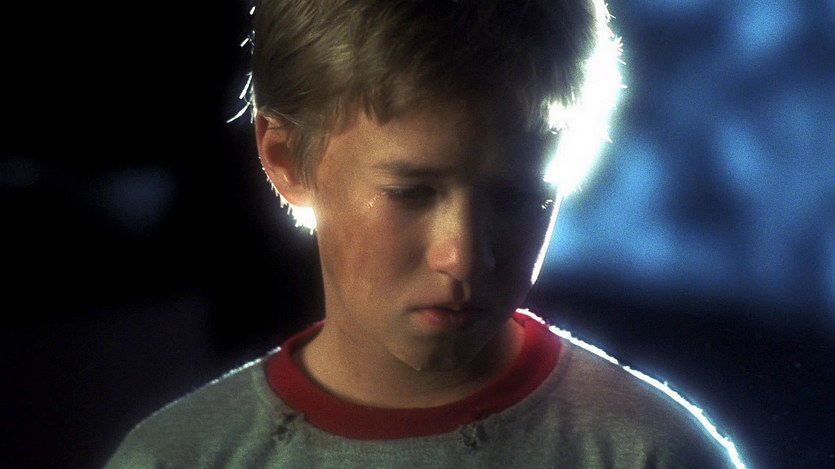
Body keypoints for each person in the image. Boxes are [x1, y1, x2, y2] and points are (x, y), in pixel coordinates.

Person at [105, 0, 746, 467]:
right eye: (411, 193)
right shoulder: (176, 458)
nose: (463, 257)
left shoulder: (651, 454)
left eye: (516, 196)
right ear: (286, 159)